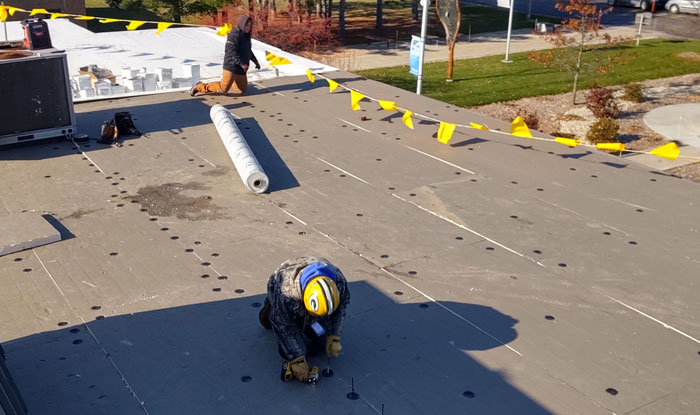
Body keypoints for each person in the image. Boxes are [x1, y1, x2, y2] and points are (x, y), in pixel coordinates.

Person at [259, 257, 350, 382]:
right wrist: (297, 359)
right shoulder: (286, 292)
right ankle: (271, 305)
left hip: (306, 309)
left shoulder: (339, 284)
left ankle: (307, 324)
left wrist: (334, 335)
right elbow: (283, 326)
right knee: (298, 350)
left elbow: (339, 311)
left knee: (324, 340)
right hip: (280, 290)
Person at [190, 15, 260, 96]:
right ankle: (199, 87)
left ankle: (232, 81)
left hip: (241, 69)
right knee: (223, 89)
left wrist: (256, 61)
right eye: (246, 25)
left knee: (242, 90)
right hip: (231, 66)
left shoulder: (247, 36)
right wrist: (242, 63)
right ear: (242, 24)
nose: (248, 27)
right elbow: (231, 52)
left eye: (249, 25)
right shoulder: (234, 35)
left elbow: (248, 51)